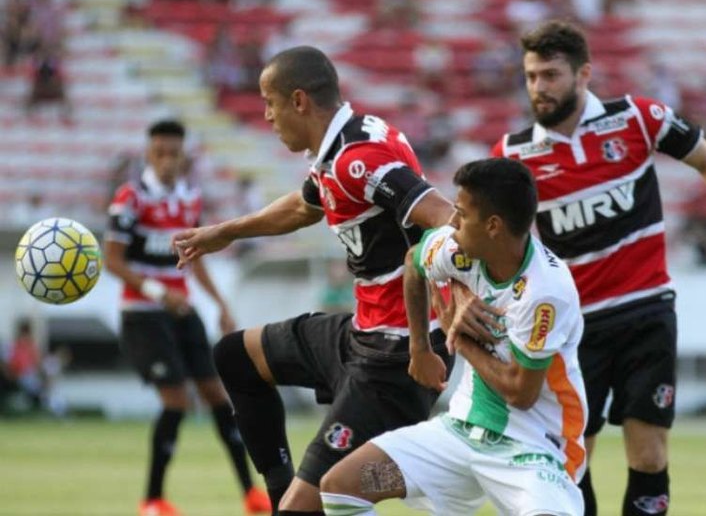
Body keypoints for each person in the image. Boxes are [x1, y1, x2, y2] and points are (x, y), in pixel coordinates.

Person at [487, 21, 706, 516]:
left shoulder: (636, 118)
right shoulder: (513, 156)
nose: (539, 88)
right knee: (573, 458)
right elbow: (490, 238)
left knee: (649, 451)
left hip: (647, 311)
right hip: (572, 328)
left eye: (550, 75)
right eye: (531, 76)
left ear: (584, 74)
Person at [172, 46, 455, 515]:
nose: (266, 115)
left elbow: (443, 217)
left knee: (319, 501)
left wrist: (430, 339)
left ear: (299, 100)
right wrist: (224, 232)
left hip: (395, 355)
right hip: (363, 333)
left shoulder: (356, 159)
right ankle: (285, 495)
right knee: (236, 357)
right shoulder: (339, 148)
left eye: (270, 102)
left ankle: (428, 472)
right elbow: (306, 205)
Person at [317, 157, 587, 516]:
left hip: (533, 447)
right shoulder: (458, 249)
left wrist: (455, 335)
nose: (453, 222)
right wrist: (419, 348)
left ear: (493, 225)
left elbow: (521, 393)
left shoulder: (544, 292)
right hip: (460, 432)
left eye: (461, 214)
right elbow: (414, 261)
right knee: (342, 487)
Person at [104, 120, 271, 516]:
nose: (165, 160)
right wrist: (159, 292)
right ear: (148, 154)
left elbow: (195, 263)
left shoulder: (190, 199)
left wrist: (220, 303)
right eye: (159, 152)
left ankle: (250, 494)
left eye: (173, 153)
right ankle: (152, 500)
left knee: (218, 397)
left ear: (184, 157)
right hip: (143, 313)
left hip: (182, 310)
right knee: (176, 400)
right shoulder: (130, 199)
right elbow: (112, 260)